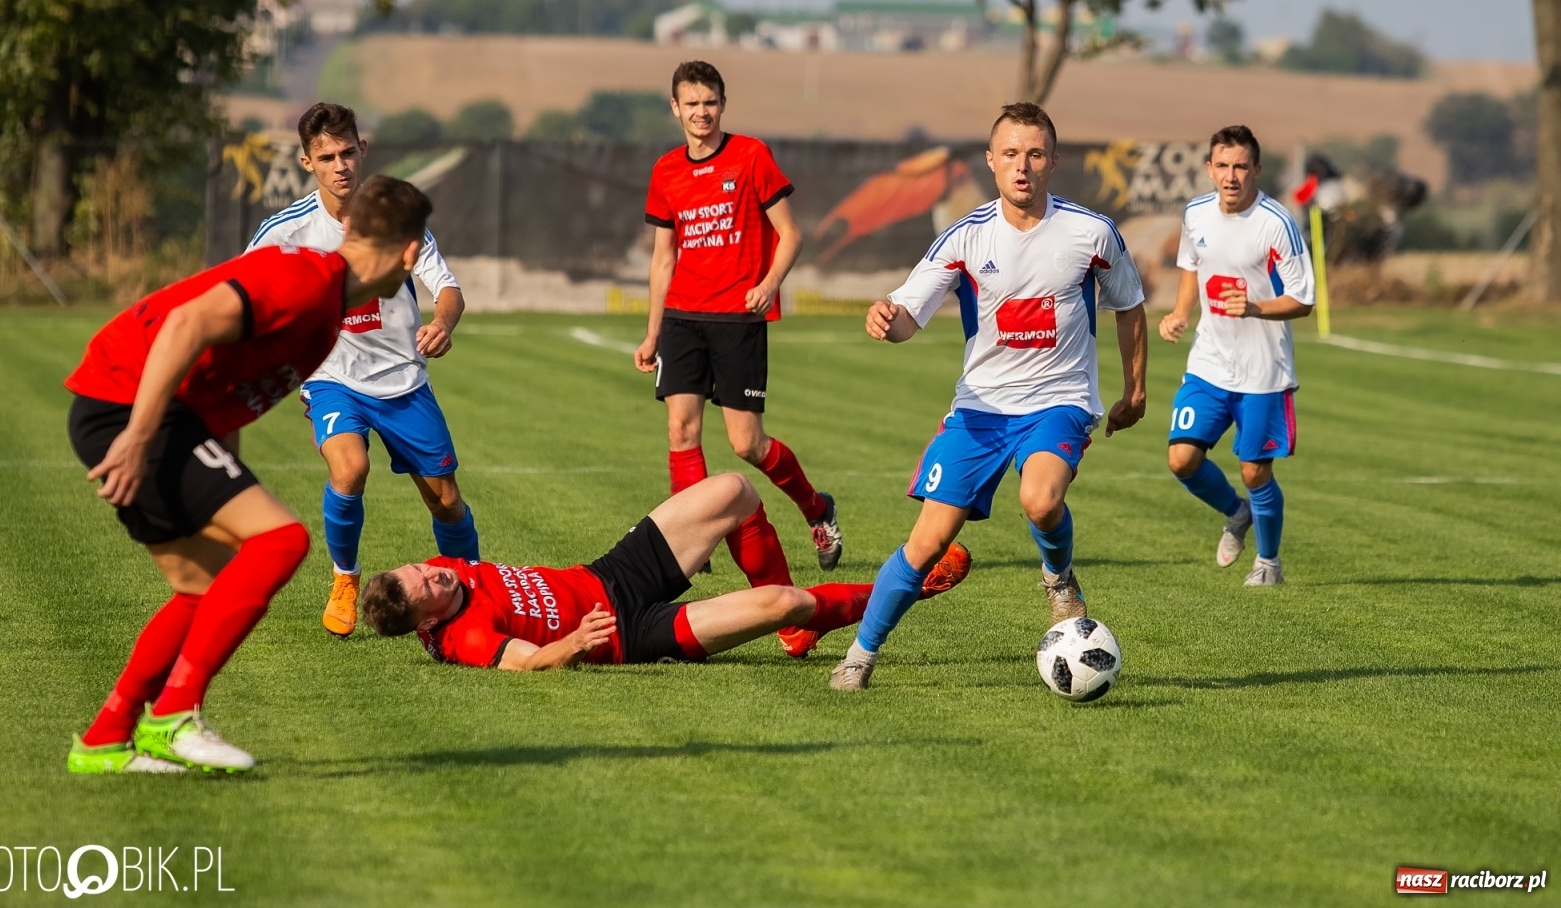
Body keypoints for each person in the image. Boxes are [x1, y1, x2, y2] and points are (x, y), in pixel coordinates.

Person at [63, 176, 432, 774]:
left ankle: (106, 739)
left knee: (200, 588)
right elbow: (187, 324)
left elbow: (222, 389)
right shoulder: (307, 283)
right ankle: (174, 714)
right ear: (412, 252)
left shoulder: (327, 304)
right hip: (129, 406)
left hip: (136, 408)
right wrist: (136, 434)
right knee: (281, 540)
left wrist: (221, 468)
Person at [829, 102, 1148, 692]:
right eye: (1010, 155)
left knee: (1040, 499)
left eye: (1033, 154)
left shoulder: (1091, 232)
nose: (1021, 166)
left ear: (1052, 161)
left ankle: (1059, 579)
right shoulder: (966, 237)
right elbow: (908, 314)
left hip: (1060, 399)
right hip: (980, 410)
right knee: (927, 543)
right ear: (991, 162)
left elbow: (1129, 303)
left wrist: (1135, 391)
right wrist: (884, 317)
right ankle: (860, 655)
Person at [632, 60, 841, 657]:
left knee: (747, 444)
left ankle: (815, 507)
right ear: (674, 108)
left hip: (739, 318)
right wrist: (651, 333)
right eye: (691, 104)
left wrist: (771, 282)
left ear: (723, 105)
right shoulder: (666, 170)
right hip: (681, 319)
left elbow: (791, 234)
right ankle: (688, 544)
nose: (702, 112)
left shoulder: (751, 156)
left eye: (711, 103)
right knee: (680, 429)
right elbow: (662, 259)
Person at [248, 102, 478, 638]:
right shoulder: (284, 230)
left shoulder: (396, 218)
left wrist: (443, 322)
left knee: (445, 499)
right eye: (326, 156)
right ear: (307, 162)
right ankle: (345, 579)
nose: (340, 165)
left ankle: (472, 586)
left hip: (403, 380)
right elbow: (244, 293)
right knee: (348, 469)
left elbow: (448, 289)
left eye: (347, 152)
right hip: (332, 378)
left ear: (363, 149)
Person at [361, 474, 970, 669]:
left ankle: (795, 629)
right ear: (427, 621)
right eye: (429, 588)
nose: (437, 575)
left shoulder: (436, 572)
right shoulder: (461, 637)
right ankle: (908, 584)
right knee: (782, 603)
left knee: (734, 490)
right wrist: (573, 642)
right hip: (632, 632)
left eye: (422, 569)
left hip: (609, 572)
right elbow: (521, 661)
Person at [1158, 126, 1314, 586]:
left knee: (1254, 469)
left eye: (1241, 166)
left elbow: (1304, 300)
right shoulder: (1196, 214)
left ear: (1256, 171)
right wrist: (1180, 313)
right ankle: (1235, 513)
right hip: (1209, 361)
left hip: (1263, 371)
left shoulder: (1277, 223)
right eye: (1222, 166)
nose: (1231, 176)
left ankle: (1268, 563)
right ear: (1210, 169)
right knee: (1181, 459)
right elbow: (1191, 267)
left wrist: (1255, 307)